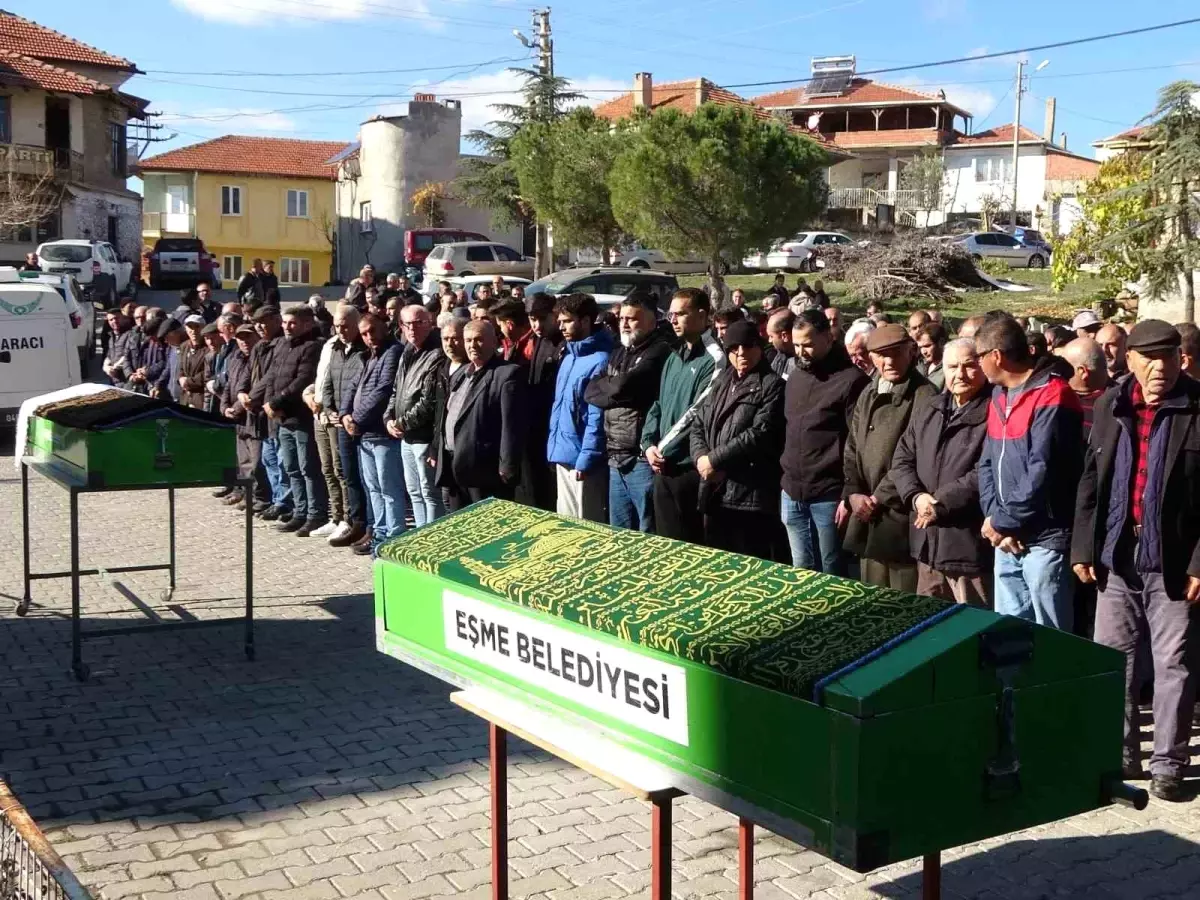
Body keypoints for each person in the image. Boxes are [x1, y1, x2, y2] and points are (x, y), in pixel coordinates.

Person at [1072, 320, 1200, 803]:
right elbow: (1090, 482)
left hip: (1173, 562)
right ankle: (1119, 753)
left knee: (1175, 664)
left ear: (1181, 359)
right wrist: (1083, 546)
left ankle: (1168, 763)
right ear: (1129, 360)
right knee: (1113, 659)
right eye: (1149, 358)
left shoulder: (1197, 406)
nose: (1160, 367)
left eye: (1169, 357)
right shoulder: (1111, 404)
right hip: (1116, 557)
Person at [976, 314, 1083, 630]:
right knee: (1010, 635)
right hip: (1005, 538)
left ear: (996, 356)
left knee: (1052, 635)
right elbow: (987, 461)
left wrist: (1003, 521)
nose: (978, 365)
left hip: (1044, 539)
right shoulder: (998, 396)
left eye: (980, 357)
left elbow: (1043, 468)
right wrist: (994, 520)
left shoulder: (1054, 394)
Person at [889, 338, 993, 605]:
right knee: (931, 627)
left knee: (975, 627)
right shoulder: (930, 408)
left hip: (967, 546)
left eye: (969, 365)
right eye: (952, 366)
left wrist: (941, 502)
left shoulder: (995, 411)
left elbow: (987, 471)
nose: (960, 374)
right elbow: (902, 458)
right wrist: (916, 496)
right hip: (927, 545)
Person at [841, 324, 937, 591]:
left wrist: (878, 498)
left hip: (899, 517)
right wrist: (853, 492)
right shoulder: (869, 392)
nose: (890, 361)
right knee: (871, 597)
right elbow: (852, 446)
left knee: (903, 600)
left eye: (897, 353)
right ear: (871, 358)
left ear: (911, 352)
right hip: (866, 514)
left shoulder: (925, 395)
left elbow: (915, 455)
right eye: (882, 355)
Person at [780, 309, 869, 573]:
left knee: (833, 571)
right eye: (796, 345)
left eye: (807, 345)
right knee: (801, 568)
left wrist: (848, 493)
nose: (800, 352)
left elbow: (858, 443)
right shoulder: (795, 376)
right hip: (791, 491)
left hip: (829, 496)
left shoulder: (852, 381)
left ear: (828, 338)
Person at [690, 320, 785, 557]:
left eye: (747, 346)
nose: (741, 353)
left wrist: (714, 460)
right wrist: (701, 459)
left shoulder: (772, 386)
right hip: (713, 490)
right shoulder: (722, 381)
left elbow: (758, 434)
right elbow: (699, 423)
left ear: (759, 347)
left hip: (748, 495)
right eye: (734, 348)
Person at [583, 292, 672, 532]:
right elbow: (590, 390)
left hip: (641, 458)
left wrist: (611, 389)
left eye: (632, 319)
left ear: (651, 321)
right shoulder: (618, 351)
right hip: (615, 455)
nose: (623, 323)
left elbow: (622, 386)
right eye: (621, 318)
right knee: (619, 532)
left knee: (647, 531)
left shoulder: (659, 351)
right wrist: (612, 391)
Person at [641, 288, 723, 544]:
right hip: (662, 465)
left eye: (680, 314)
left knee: (687, 547)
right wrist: (647, 444)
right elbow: (658, 404)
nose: (673, 320)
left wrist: (661, 448)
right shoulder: (674, 356)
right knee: (665, 544)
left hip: (688, 468)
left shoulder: (715, 359)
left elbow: (696, 413)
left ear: (702, 316)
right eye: (671, 314)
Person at [429, 319, 526, 508]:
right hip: (454, 466)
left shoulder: (507, 374)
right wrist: (436, 449)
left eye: (479, 340)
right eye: (468, 340)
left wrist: (507, 466)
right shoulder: (463, 372)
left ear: (494, 342)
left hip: (484, 471)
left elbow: (512, 426)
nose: (472, 345)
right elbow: (446, 414)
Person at [260, 306, 328, 537]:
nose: (287, 327)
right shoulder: (281, 344)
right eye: (286, 322)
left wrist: (277, 402)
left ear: (307, 324)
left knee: (308, 467)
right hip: (282, 418)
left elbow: (302, 381)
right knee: (291, 467)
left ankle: (315, 514)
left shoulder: (313, 346)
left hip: (301, 417)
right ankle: (300, 511)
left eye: (293, 323)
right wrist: (269, 403)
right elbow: (272, 376)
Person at [547, 293, 613, 522]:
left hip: (583, 461)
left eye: (567, 321)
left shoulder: (600, 360)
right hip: (563, 453)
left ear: (585, 321)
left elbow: (596, 417)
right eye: (560, 320)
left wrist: (587, 457)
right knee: (566, 524)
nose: (560, 326)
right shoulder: (567, 357)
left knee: (587, 522)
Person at [347, 312, 404, 556]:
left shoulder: (393, 352)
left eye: (372, 331)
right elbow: (354, 386)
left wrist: (356, 418)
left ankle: (394, 538)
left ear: (383, 327)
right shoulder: (369, 356)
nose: (369, 337)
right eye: (364, 333)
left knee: (389, 490)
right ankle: (379, 535)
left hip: (382, 434)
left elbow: (383, 390)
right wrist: (344, 415)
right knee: (373, 489)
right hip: (364, 435)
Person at [385, 305, 445, 527]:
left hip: (423, 436)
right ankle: (419, 539)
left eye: (418, 323)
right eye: (407, 324)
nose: (412, 329)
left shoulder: (436, 354)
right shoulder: (407, 351)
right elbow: (396, 390)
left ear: (429, 323)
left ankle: (433, 544)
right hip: (405, 437)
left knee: (430, 493)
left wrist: (401, 423)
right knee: (414, 492)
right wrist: (388, 419)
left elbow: (428, 402)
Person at [322, 305, 368, 549]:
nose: (341, 331)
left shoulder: (364, 351)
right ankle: (355, 521)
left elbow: (364, 387)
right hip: (339, 421)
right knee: (347, 474)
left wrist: (350, 414)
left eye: (346, 326)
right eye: (337, 326)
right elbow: (328, 382)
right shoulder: (336, 349)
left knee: (363, 477)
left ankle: (367, 525)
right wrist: (330, 409)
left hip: (358, 423)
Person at [219, 324, 270, 512]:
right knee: (244, 461)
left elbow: (250, 389)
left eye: (248, 337)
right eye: (241, 338)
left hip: (252, 415)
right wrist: (224, 407)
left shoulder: (258, 359)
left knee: (257, 462)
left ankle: (259, 496)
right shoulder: (235, 358)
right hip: (237, 418)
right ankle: (246, 495)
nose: (244, 341)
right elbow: (228, 385)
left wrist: (237, 407)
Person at [247, 306, 291, 522]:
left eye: (264, 321)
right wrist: (242, 396)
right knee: (269, 458)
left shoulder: (282, 344)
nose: (260, 326)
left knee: (282, 459)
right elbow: (251, 375)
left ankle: (284, 502)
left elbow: (271, 377)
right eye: (257, 322)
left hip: (275, 408)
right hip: (259, 411)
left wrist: (252, 396)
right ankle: (276, 499)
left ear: (276, 320)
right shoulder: (259, 346)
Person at [522, 292, 565, 511]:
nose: (537, 325)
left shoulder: (564, 344)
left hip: (555, 428)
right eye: (532, 319)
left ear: (554, 315)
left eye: (542, 318)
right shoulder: (538, 341)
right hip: (535, 427)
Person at [1062, 337, 1109, 439]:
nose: (1059, 373)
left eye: (1064, 367)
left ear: (1082, 372)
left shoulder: (1113, 406)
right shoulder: (1060, 397)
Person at [177, 315, 209, 408]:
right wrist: (180, 378)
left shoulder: (208, 348)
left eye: (197, 327)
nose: (194, 331)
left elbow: (208, 372)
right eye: (190, 327)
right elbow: (181, 367)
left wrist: (188, 382)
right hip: (185, 397)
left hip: (200, 397)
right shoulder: (184, 346)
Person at [495, 299, 536, 367]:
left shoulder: (530, 348)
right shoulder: (514, 343)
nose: (501, 330)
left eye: (500, 326)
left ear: (509, 324)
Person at [102, 310, 137, 387]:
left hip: (126, 380)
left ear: (124, 318)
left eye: (117, 318)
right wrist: (106, 367)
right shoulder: (111, 337)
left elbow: (129, 355)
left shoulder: (131, 334)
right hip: (114, 381)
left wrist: (115, 367)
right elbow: (109, 355)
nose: (114, 321)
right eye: (111, 320)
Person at [915, 322, 948, 390]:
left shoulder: (949, 368)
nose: (923, 351)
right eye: (920, 347)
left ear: (941, 342)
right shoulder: (920, 365)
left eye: (927, 346)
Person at [765, 310, 796, 379]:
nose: (769, 341)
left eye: (771, 336)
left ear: (784, 336)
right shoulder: (778, 355)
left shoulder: (801, 365)